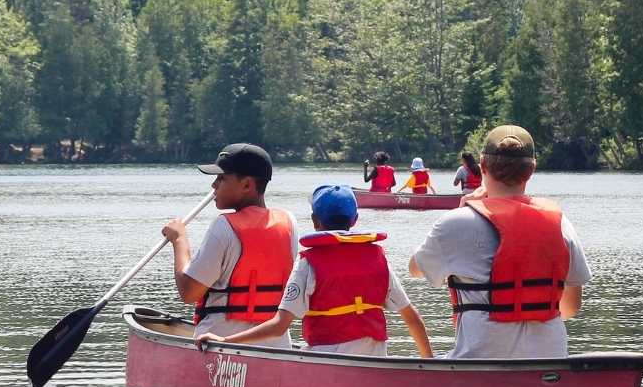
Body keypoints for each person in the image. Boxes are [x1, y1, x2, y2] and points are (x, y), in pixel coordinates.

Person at [409, 125, 590, 359]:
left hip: (479, 367)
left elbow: (415, 269)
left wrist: (463, 209)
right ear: (532, 170)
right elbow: (570, 307)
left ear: (482, 166)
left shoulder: (455, 223)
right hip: (547, 368)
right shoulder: (560, 223)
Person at [199, 185, 434, 358]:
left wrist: (224, 340)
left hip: (327, 362)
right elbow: (412, 318)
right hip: (374, 361)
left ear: (314, 221)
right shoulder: (377, 259)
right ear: (355, 219)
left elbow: (279, 325)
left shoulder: (308, 263)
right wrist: (428, 363)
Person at [163, 143, 296, 348]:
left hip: (218, 345)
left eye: (222, 178)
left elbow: (189, 292)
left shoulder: (223, 226)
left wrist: (179, 240)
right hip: (276, 347)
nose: (214, 185)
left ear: (247, 185)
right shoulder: (289, 222)